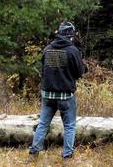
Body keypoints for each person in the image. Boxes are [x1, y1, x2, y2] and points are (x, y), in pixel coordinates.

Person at [29, 22, 85, 159]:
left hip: (47, 94)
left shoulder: (47, 49)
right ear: (71, 35)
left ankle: (34, 151)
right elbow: (79, 72)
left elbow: (43, 69)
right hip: (65, 95)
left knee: (43, 124)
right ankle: (67, 155)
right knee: (70, 126)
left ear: (59, 33)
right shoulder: (72, 51)